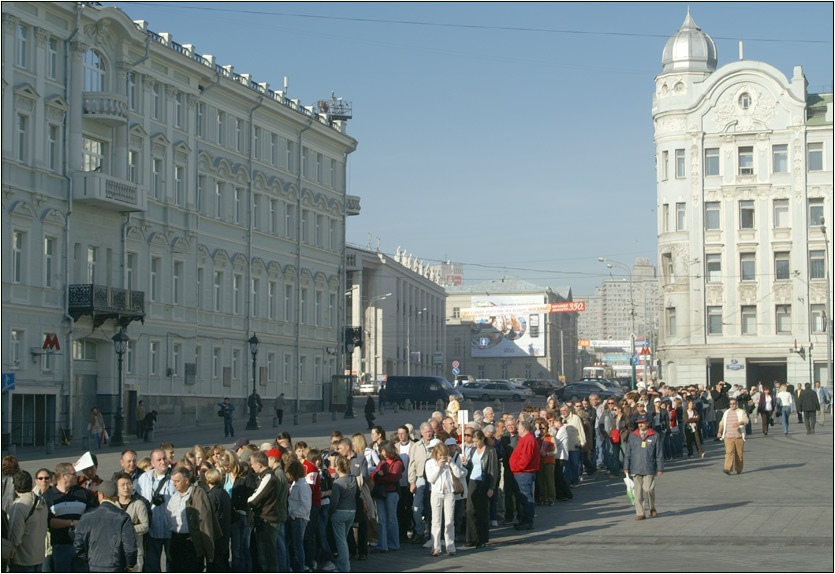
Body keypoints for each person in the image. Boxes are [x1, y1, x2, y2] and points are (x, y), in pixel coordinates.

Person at [73, 480, 137, 572]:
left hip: (93, 566)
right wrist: (130, 566)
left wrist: (88, 561)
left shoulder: (86, 517)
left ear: (100, 494)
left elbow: (78, 545)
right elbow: (130, 548)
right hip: (116, 567)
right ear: (116, 496)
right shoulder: (123, 517)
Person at [43, 462, 96, 572]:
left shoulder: (84, 493)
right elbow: (49, 522)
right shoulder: (48, 496)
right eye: (73, 474)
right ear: (63, 476)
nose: (77, 477)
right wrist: (72, 523)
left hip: (82, 546)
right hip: (61, 546)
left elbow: (93, 514)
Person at [167, 465, 219, 572]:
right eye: (173, 481)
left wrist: (196, 535)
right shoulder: (174, 496)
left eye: (177, 481)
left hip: (191, 541)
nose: (174, 484)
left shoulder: (197, 494)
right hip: (176, 539)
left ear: (186, 481)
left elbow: (204, 519)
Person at [135, 448, 176, 572]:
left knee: (173, 563)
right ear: (152, 463)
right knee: (151, 565)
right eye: (159, 460)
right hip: (152, 529)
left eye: (164, 458)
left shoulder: (175, 476)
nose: (163, 462)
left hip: (172, 529)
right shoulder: (144, 479)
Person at [425, 442, 465, 557]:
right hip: (436, 493)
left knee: (449, 521)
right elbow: (430, 479)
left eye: (444, 455)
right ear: (436, 454)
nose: (442, 457)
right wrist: (438, 466)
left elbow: (459, 474)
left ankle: (450, 546)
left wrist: (451, 463)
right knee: (436, 522)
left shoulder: (449, 463)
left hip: (449, 493)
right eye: (440, 455)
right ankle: (436, 547)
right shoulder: (430, 463)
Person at [623, 414, 664, 520]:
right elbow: (628, 452)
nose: (640, 425)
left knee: (649, 489)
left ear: (648, 423)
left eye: (643, 422)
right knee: (638, 492)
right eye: (639, 423)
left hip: (649, 466)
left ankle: (652, 507)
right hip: (635, 467)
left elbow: (659, 453)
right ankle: (640, 513)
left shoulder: (654, 435)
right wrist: (626, 466)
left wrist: (660, 468)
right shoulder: (633, 435)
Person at [8, 470, 48, 573]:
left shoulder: (19, 506)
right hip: (38, 557)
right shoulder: (41, 502)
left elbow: (15, 537)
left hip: (22, 560)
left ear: (14, 486)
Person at [464, 429, 499, 547]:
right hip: (473, 480)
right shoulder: (473, 450)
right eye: (473, 441)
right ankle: (471, 538)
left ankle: (482, 538)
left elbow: (493, 470)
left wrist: (491, 487)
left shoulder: (490, 451)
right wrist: (465, 464)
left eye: (477, 441)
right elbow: (471, 466)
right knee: (470, 509)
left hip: (483, 482)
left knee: (482, 510)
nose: (475, 444)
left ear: (482, 439)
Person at [246, 451, 280, 572]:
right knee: (263, 556)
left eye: (252, 464)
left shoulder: (269, 477)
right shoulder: (264, 477)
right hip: (264, 520)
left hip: (268, 521)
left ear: (259, 464)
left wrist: (248, 500)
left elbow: (254, 499)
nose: (251, 467)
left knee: (268, 558)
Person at [336, 437, 369, 560]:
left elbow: (364, 476)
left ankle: (363, 551)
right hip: (345, 496)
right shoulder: (340, 460)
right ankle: (351, 549)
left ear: (347, 447)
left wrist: (351, 483)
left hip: (358, 495)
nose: (338, 451)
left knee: (362, 522)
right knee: (347, 524)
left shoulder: (360, 458)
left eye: (340, 448)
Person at [370, 441, 404, 553]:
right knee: (381, 519)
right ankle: (382, 545)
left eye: (382, 450)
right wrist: (378, 475)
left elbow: (393, 478)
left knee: (391, 519)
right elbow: (374, 474)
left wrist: (381, 476)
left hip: (391, 492)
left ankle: (393, 544)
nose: (381, 452)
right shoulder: (382, 462)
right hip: (381, 492)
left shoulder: (397, 462)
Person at [114, 471, 149, 573]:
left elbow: (145, 526)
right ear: (117, 487)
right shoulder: (113, 505)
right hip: (116, 552)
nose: (126, 487)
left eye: (129, 484)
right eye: (123, 485)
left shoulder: (139, 504)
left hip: (135, 551)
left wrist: (127, 530)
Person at [509, 417, 539, 531]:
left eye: (519, 428)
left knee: (526, 497)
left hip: (523, 473)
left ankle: (528, 521)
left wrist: (516, 467)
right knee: (524, 497)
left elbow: (525, 459)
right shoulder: (527, 439)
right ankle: (525, 520)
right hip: (522, 472)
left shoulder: (528, 440)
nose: (517, 430)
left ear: (524, 429)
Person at [407, 423, 435, 545]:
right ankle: (419, 531)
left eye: (430, 431)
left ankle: (431, 533)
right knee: (416, 508)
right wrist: (411, 481)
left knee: (431, 508)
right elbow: (411, 464)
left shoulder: (436, 444)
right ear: (422, 433)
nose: (428, 434)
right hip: (420, 478)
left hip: (433, 479)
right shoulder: (416, 446)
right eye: (426, 432)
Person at [329, 455, 356, 572]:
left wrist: (330, 512)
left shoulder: (337, 483)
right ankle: (342, 564)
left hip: (340, 512)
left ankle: (343, 567)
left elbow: (334, 501)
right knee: (343, 539)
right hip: (352, 511)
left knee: (341, 542)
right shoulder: (353, 479)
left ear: (337, 468)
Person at [287, 460, 311, 573]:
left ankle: (300, 568)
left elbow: (306, 505)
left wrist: (294, 514)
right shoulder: (296, 484)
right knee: (294, 544)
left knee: (298, 545)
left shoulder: (303, 486)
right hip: (295, 517)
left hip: (299, 518)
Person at [205, 468, 231, 572]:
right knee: (223, 562)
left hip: (216, 534)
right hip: (225, 532)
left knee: (215, 564)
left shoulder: (211, 495)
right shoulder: (224, 493)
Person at [717, 398, 748, 475]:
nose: (732, 405)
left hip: (739, 436)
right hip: (728, 436)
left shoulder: (741, 412)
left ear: (736, 404)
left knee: (739, 454)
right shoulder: (726, 412)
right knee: (729, 452)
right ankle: (728, 468)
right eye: (731, 404)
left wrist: (739, 423)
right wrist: (719, 432)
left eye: (734, 404)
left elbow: (746, 420)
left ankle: (739, 468)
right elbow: (721, 423)